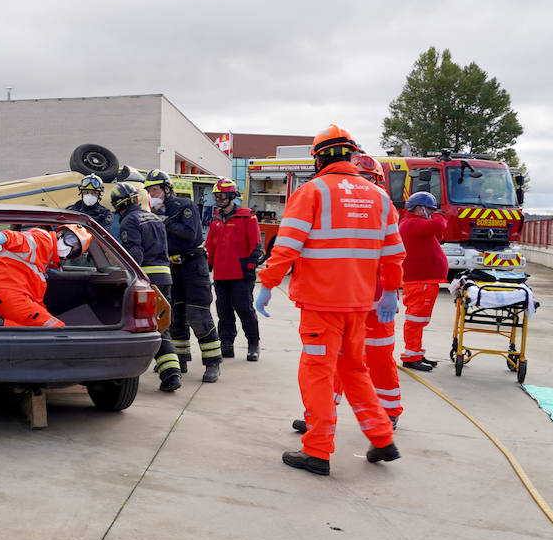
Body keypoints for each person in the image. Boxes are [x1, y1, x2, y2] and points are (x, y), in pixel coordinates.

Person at [255, 125, 404, 476]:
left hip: (321, 305)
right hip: (359, 304)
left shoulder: (312, 192)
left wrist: (267, 283)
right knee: (354, 370)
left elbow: (286, 245)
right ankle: (382, 439)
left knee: (317, 374)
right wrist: (388, 292)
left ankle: (317, 451)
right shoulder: (379, 198)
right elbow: (395, 254)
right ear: (351, 156)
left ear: (319, 157)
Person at [291, 154, 405, 432]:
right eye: (360, 177)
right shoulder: (344, 204)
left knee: (379, 356)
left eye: (369, 179)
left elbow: (393, 255)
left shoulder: (383, 206)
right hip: (348, 298)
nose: (362, 183)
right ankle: (319, 417)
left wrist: (391, 291)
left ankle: (388, 412)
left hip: (377, 300)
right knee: (332, 359)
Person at [144, 170, 221, 383]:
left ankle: (213, 362)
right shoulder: (151, 211)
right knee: (175, 315)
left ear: (167, 189)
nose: (152, 194)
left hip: (193, 265)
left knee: (197, 314)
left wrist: (165, 220)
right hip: (171, 267)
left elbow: (191, 234)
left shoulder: (184, 206)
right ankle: (180, 360)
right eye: (149, 191)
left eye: (155, 189)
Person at [112, 182, 182, 392]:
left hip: (147, 280)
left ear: (118, 205)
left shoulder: (130, 221)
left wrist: (124, 276)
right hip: (165, 277)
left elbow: (136, 255)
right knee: (161, 325)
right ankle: (172, 373)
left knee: (140, 325)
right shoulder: (153, 217)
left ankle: (165, 375)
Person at [0, 224, 92, 326]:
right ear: (61, 233)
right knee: (56, 329)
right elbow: (24, 239)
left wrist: (44, 312)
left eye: (75, 250)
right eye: (71, 240)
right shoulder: (44, 238)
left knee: (39, 324)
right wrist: (4, 237)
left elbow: (36, 299)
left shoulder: (42, 260)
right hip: (9, 295)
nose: (69, 248)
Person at [205, 177, 262, 362]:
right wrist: (207, 265)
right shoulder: (215, 219)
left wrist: (250, 269)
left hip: (240, 275)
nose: (218, 199)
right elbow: (210, 246)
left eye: (221, 196)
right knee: (224, 311)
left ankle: (253, 344)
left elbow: (255, 245)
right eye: (216, 196)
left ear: (231, 196)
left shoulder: (247, 216)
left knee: (244, 310)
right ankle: (226, 344)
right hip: (221, 275)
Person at [399, 191, 448, 371]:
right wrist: (439, 214)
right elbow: (439, 225)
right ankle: (411, 357)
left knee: (419, 321)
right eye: (429, 209)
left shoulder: (415, 223)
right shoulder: (412, 223)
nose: (432, 212)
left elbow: (437, 234)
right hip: (421, 282)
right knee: (415, 321)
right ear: (420, 209)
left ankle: (416, 353)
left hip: (423, 281)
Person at [66, 174, 118, 238]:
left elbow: (103, 237)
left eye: (93, 193)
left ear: (99, 195)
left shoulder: (105, 214)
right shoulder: (70, 210)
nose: (89, 195)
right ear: (82, 193)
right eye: (86, 192)